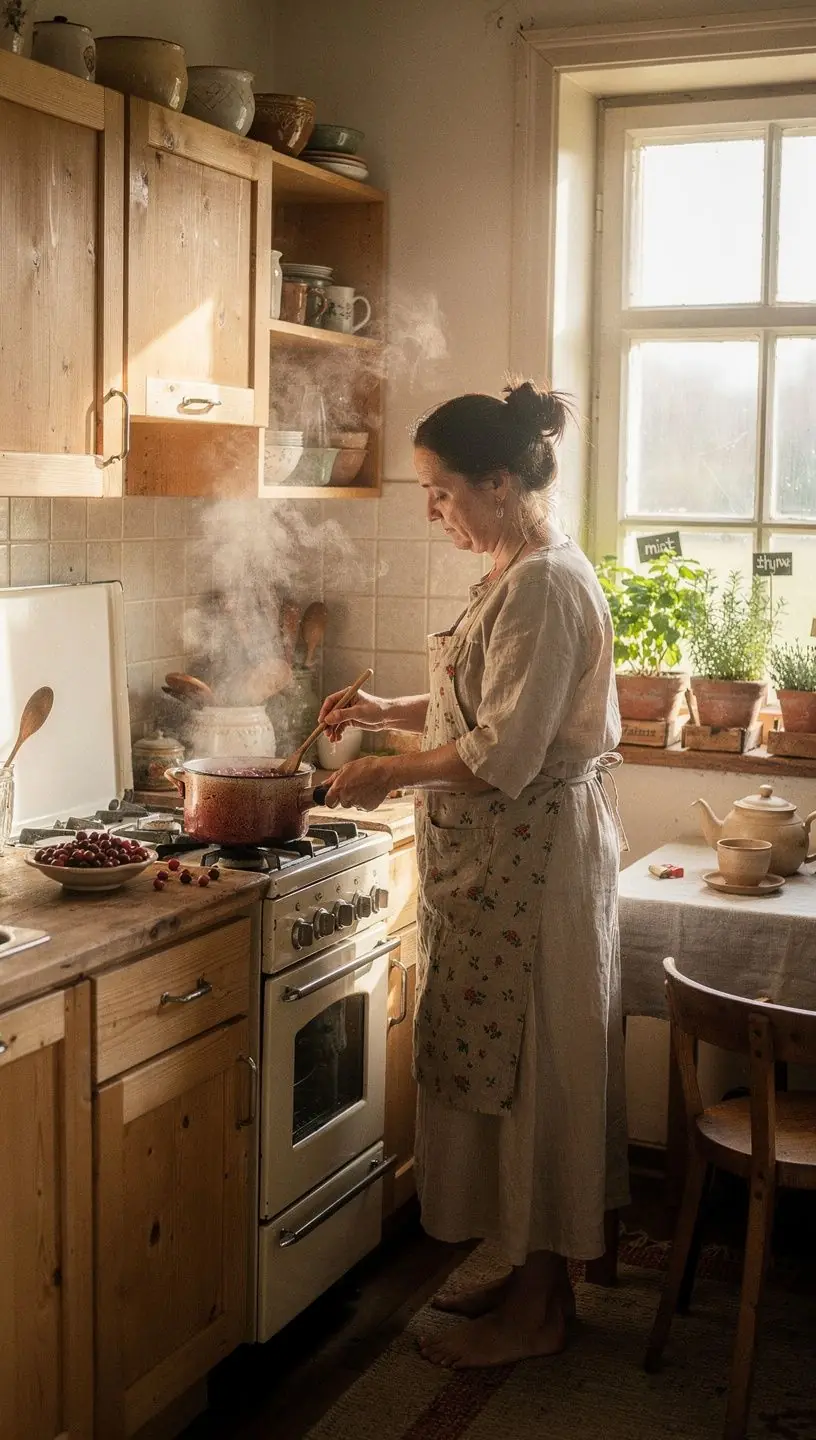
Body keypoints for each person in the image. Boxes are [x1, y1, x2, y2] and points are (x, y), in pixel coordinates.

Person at [318, 378, 629, 1370]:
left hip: (536, 871)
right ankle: (530, 1270)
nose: (433, 510)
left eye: (441, 492)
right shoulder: (515, 567)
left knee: (539, 1082)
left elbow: (506, 752)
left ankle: (540, 1308)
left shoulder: (543, 581)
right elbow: (487, 701)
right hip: (506, 864)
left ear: (500, 482)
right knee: (515, 1077)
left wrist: (382, 770)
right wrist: (394, 710)